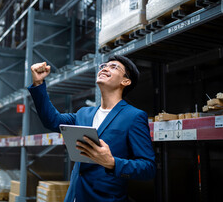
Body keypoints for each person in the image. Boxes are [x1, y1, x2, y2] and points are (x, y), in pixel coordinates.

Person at [28, 55, 155, 202]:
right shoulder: (84, 113)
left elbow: (148, 167)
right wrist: (38, 84)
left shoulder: (134, 116)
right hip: (74, 197)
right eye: (103, 66)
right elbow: (52, 120)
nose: (105, 68)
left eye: (114, 67)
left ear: (125, 81)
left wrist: (112, 162)